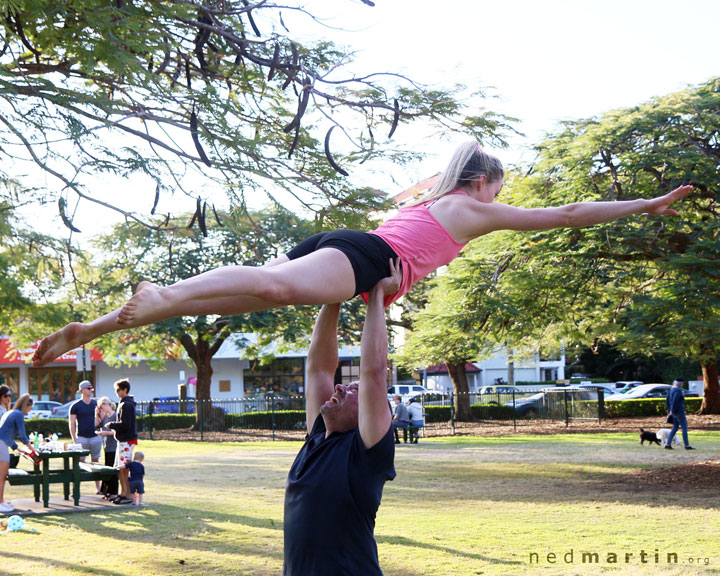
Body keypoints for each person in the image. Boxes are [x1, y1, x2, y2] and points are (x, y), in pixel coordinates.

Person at [31, 142, 693, 367]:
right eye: (501, 187)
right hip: (365, 258)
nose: (503, 198)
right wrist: (644, 203)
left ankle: (88, 330)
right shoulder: (472, 208)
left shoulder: (424, 203)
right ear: (484, 182)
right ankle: (165, 293)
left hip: (348, 253)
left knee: (253, 295)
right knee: (269, 288)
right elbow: (570, 214)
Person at [283, 260, 399, 576]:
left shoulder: (367, 456)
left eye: (354, 390)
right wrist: (334, 291)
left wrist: (377, 296)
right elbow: (319, 366)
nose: (340, 386)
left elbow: (374, 371)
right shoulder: (317, 438)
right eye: (347, 385)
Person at [0, 394, 35, 513]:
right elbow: (23, 436)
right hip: (1, 445)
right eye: (30, 408)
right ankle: (0, 503)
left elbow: (6, 434)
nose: (29, 411)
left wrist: (18, 449)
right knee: (2, 476)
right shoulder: (19, 414)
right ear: (26, 405)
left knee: (1, 476)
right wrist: (33, 450)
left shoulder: (11, 412)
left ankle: (1, 502)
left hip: (3, 443)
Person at [105, 379, 137, 505]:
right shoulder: (123, 404)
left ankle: (128, 495)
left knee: (125, 468)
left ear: (125, 390)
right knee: (120, 468)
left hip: (127, 440)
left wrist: (111, 425)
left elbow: (125, 424)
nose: (116, 392)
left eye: (118, 390)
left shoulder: (127, 405)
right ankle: (123, 493)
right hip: (123, 440)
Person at [69, 380, 103, 492]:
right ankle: (76, 489)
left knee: (95, 463)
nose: (90, 390)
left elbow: (101, 420)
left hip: (95, 437)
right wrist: (75, 439)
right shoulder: (76, 406)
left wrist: (99, 412)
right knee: (79, 464)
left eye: (91, 388)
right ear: (82, 390)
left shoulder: (96, 404)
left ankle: (98, 488)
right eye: (88, 388)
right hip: (82, 438)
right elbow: (72, 423)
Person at [95, 396, 119, 500]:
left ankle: (114, 492)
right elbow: (96, 425)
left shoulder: (115, 416)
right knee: (107, 468)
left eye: (102, 407)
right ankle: (107, 491)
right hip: (106, 446)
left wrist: (105, 433)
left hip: (114, 446)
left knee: (113, 470)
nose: (102, 409)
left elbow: (116, 431)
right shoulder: (105, 417)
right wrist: (97, 413)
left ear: (106, 404)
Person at [665, 378, 694, 451]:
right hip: (679, 411)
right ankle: (686, 445)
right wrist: (673, 410)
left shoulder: (671, 389)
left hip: (673, 412)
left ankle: (668, 444)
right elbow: (675, 401)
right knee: (684, 427)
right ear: (681, 384)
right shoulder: (679, 390)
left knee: (675, 428)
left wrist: (670, 410)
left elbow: (667, 400)